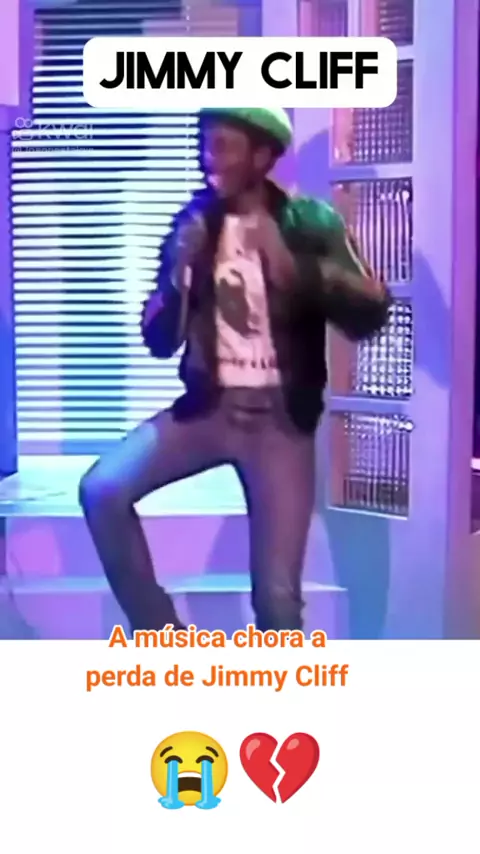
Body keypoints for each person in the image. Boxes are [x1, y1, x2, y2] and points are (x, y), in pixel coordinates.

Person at [79, 107, 391, 635]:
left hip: (280, 426)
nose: (208, 158)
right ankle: (162, 637)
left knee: (277, 600)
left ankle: (279, 687)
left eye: (222, 145)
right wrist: (177, 277)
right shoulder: (194, 223)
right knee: (102, 490)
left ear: (262, 156)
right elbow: (159, 341)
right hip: (210, 410)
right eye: (204, 144)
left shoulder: (309, 222)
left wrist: (301, 272)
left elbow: (370, 314)